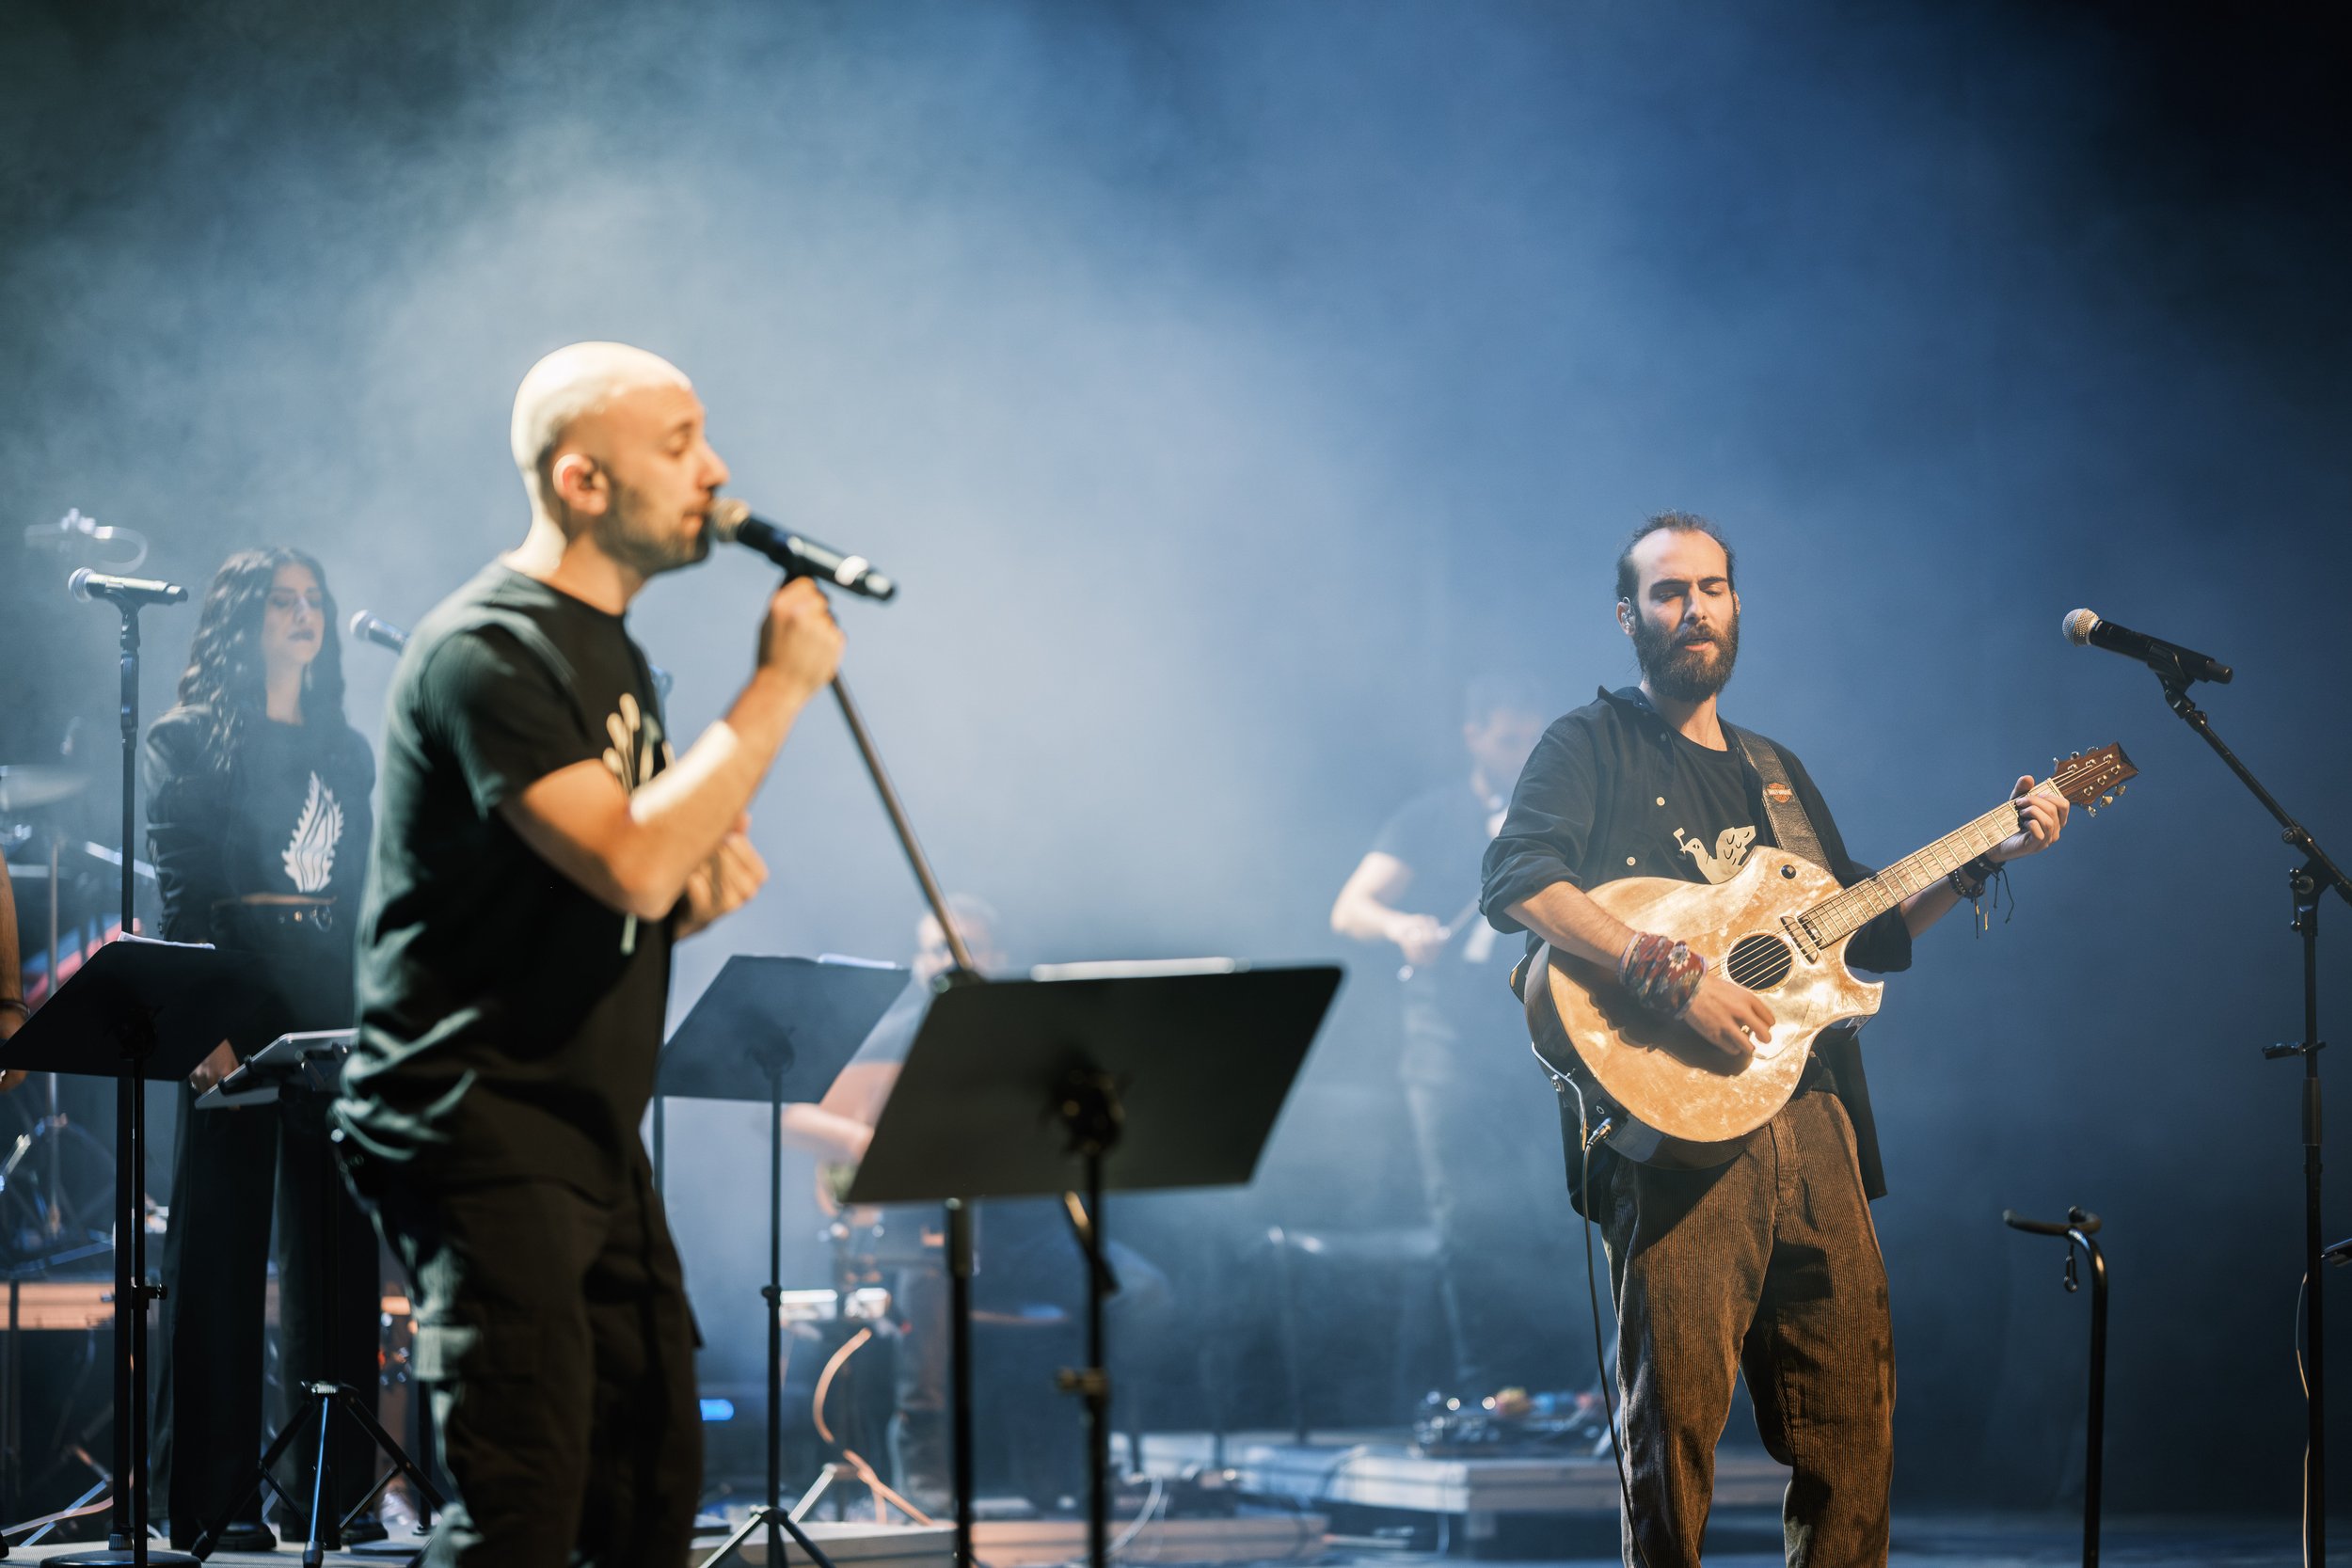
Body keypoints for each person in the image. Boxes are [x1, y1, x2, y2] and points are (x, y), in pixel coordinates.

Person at [333, 341, 844, 1567]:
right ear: (582, 480)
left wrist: (682, 890)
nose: (714, 470)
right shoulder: (487, 648)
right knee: (522, 1503)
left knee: (646, 1483)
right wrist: (777, 688)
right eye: (679, 443)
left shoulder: (608, 650)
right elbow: (626, 859)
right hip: (476, 1114)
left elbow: (612, 890)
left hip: (584, 1124)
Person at [1477, 513, 2068, 1567]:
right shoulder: (1588, 742)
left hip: (1813, 1114)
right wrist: (1671, 977)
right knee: (1675, 1429)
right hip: (1674, 1126)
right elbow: (1519, 879)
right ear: (1628, 616)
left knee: (1853, 1421)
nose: (1692, 608)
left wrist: (1986, 856)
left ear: (1737, 606)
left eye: (1710, 588)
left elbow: (1864, 933)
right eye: (1667, 592)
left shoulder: (1775, 770)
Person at [140, 546, 381, 1551]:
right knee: (219, 1257)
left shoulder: (347, 749)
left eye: (312, 599)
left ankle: (335, 1494)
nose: (303, 614)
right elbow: (186, 893)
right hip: (233, 1005)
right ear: (242, 619)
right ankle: (213, 1503)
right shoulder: (187, 738)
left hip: (332, 1005)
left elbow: (363, 893)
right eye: (282, 601)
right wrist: (206, 1027)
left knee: (339, 1255)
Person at [1330, 674, 1570, 1397]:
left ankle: (1573, 1389)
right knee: (1469, 1221)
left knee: (1555, 1213)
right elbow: (1351, 907)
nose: (1523, 752)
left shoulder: (1565, 818)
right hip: (1449, 1053)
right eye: (1507, 739)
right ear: (1474, 737)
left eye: (1532, 738)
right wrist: (1402, 926)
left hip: (1546, 1045)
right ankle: (1488, 1390)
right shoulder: (1431, 817)